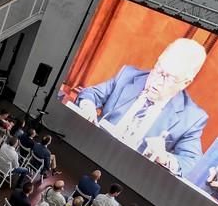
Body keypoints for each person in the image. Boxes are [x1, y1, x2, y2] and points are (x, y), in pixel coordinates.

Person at [76, 38, 208, 175]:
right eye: (158, 70)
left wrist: (165, 158)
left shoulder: (192, 118)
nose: (157, 81)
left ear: (185, 83)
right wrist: (88, 107)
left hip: (130, 174)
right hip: (91, 151)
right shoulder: (127, 75)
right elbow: (91, 94)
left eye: (168, 78)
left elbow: (191, 163)